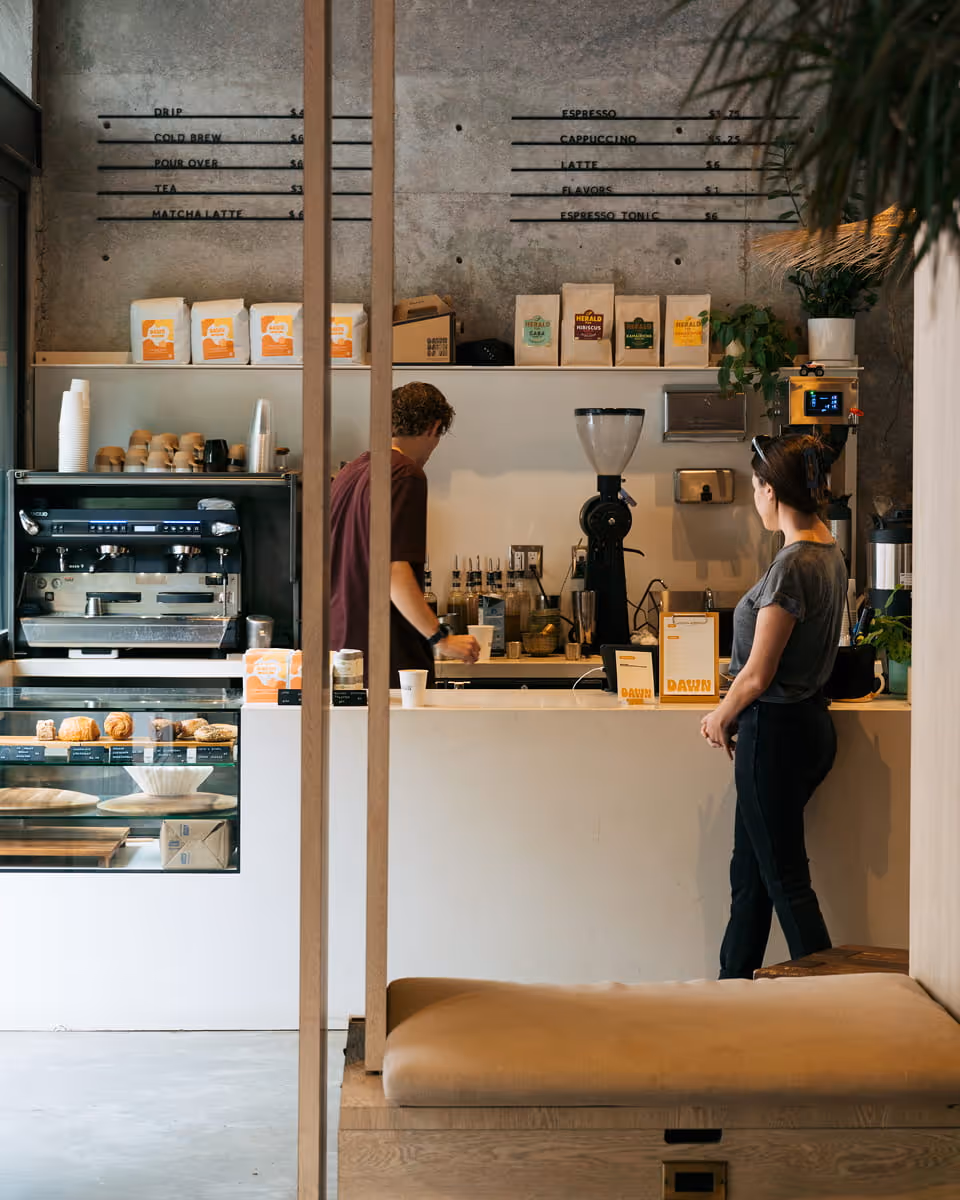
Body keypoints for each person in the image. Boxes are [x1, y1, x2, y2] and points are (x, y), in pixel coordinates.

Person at [701, 433, 847, 980]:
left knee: (785, 880)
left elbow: (759, 674)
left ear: (770, 490)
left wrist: (721, 714)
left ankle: (833, 1000)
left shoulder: (792, 564)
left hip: (775, 735)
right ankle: (731, 987)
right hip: (807, 728)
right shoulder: (829, 551)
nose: (754, 501)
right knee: (752, 876)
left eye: (755, 489)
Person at [330, 380, 479, 685]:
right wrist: (441, 639)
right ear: (433, 427)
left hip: (341, 653)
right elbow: (392, 570)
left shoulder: (349, 473)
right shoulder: (404, 474)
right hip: (388, 656)